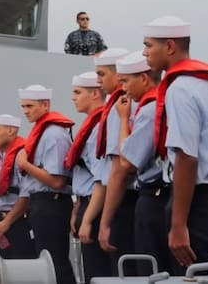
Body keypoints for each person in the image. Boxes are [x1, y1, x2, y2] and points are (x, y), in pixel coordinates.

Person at [143, 15, 208, 270]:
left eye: (149, 45)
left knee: (189, 275)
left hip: (197, 206)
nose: (145, 53)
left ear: (170, 47)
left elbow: (186, 157)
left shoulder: (181, 88)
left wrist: (178, 225)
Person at [98, 51, 173, 275]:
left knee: (150, 268)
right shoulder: (164, 102)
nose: (123, 88)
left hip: (154, 197)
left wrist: (123, 119)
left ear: (143, 78)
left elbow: (126, 163)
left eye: (126, 81)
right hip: (163, 196)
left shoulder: (148, 110)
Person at [14, 84, 76, 284]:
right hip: (41, 203)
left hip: (53, 203)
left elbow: (57, 181)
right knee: (44, 261)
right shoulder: (41, 133)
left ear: (45, 105)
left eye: (30, 106)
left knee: (55, 262)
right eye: (23, 106)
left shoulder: (54, 135)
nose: (25, 111)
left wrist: (25, 164)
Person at [63, 72, 112, 281]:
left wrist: (88, 219)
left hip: (97, 206)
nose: (73, 97)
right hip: (86, 203)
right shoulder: (91, 125)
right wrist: (77, 208)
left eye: (77, 92)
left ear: (94, 94)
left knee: (98, 273)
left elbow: (102, 179)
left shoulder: (100, 127)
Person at [93, 47, 138, 273]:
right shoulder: (126, 104)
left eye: (102, 74)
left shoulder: (119, 108)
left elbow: (119, 170)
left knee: (123, 272)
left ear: (118, 74)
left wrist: (105, 221)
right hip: (135, 199)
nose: (98, 80)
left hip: (125, 200)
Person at [0, 114, 36, 260]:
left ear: (11, 131)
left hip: (18, 222)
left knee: (22, 266)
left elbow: (27, 194)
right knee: (1, 267)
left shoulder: (21, 156)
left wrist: (7, 222)